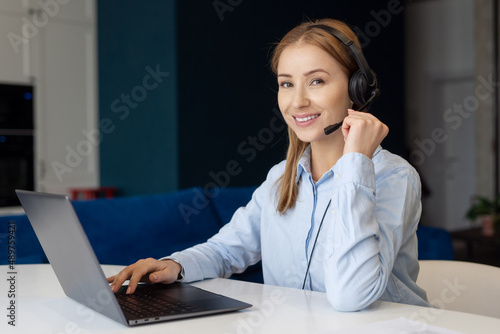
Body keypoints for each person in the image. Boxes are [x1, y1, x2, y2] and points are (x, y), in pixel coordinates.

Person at [108, 18, 430, 312]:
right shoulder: (282, 178)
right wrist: (172, 265)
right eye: (287, 83)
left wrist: (356, 163)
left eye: (316, 81)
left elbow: (351, 296)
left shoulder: (393, 177)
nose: (297, 101)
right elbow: (227, 251)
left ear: (357, 87)